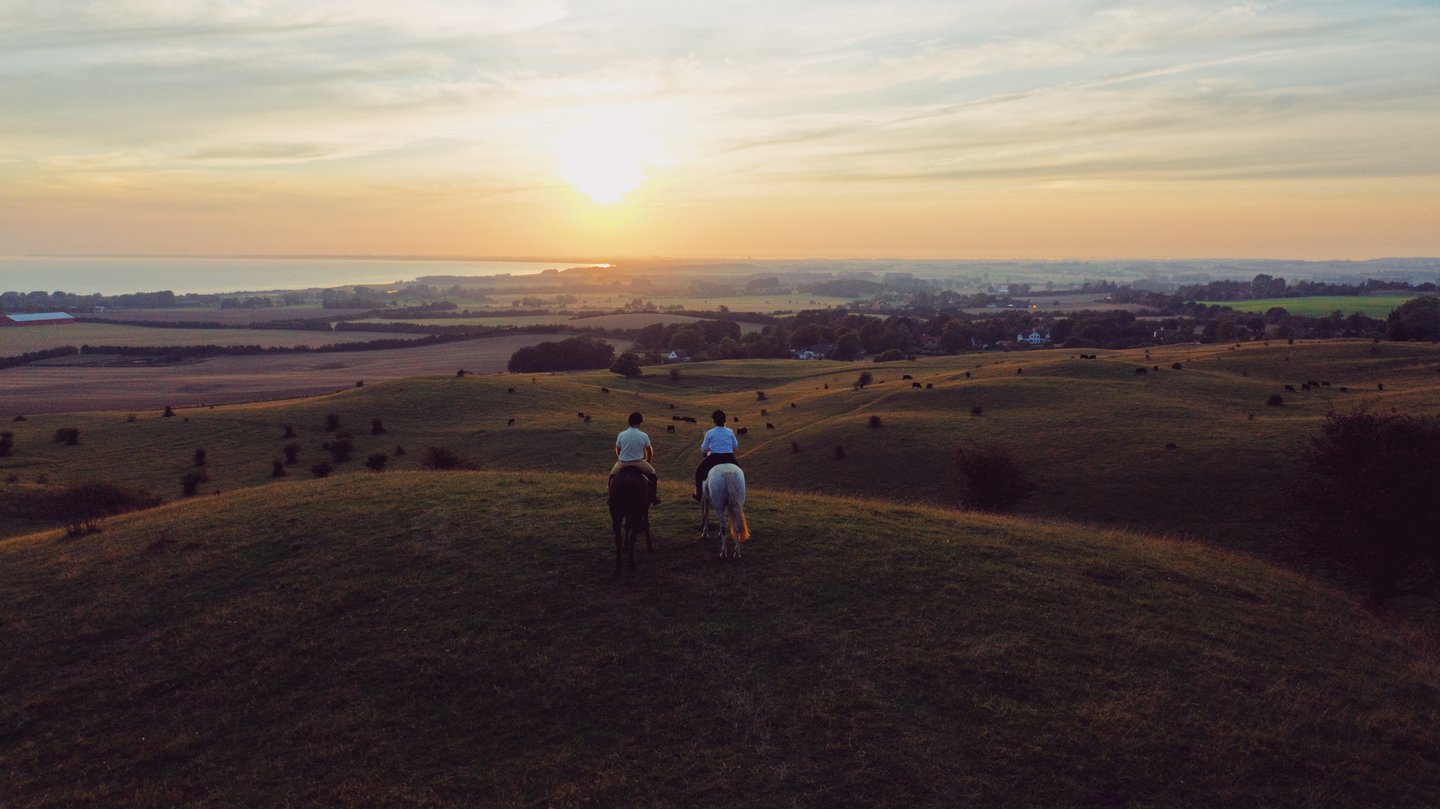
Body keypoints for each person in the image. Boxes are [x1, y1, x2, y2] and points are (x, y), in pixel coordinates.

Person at [611, 411, 660, 505]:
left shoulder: (621, 434)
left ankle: (611, 497)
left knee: (611, 477)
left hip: (622, 463)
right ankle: (653, 497)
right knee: (653, 475)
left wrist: (622, 458)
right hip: (638, 462)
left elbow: (617, 450)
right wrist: (647, 461)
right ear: (639, 422)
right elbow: (649, 451)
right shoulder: (643, 435)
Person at [694, 409, 739, 501]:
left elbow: (704, 448)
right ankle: (739, 495)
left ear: (714, 421)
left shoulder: (710, 433)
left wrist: (711, 448)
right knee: (739, 472)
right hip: (729, 457)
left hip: (715, 458)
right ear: (724, 420)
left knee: (699, 473)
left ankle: (699, 496)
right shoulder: (730, 432)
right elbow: (735, 445)